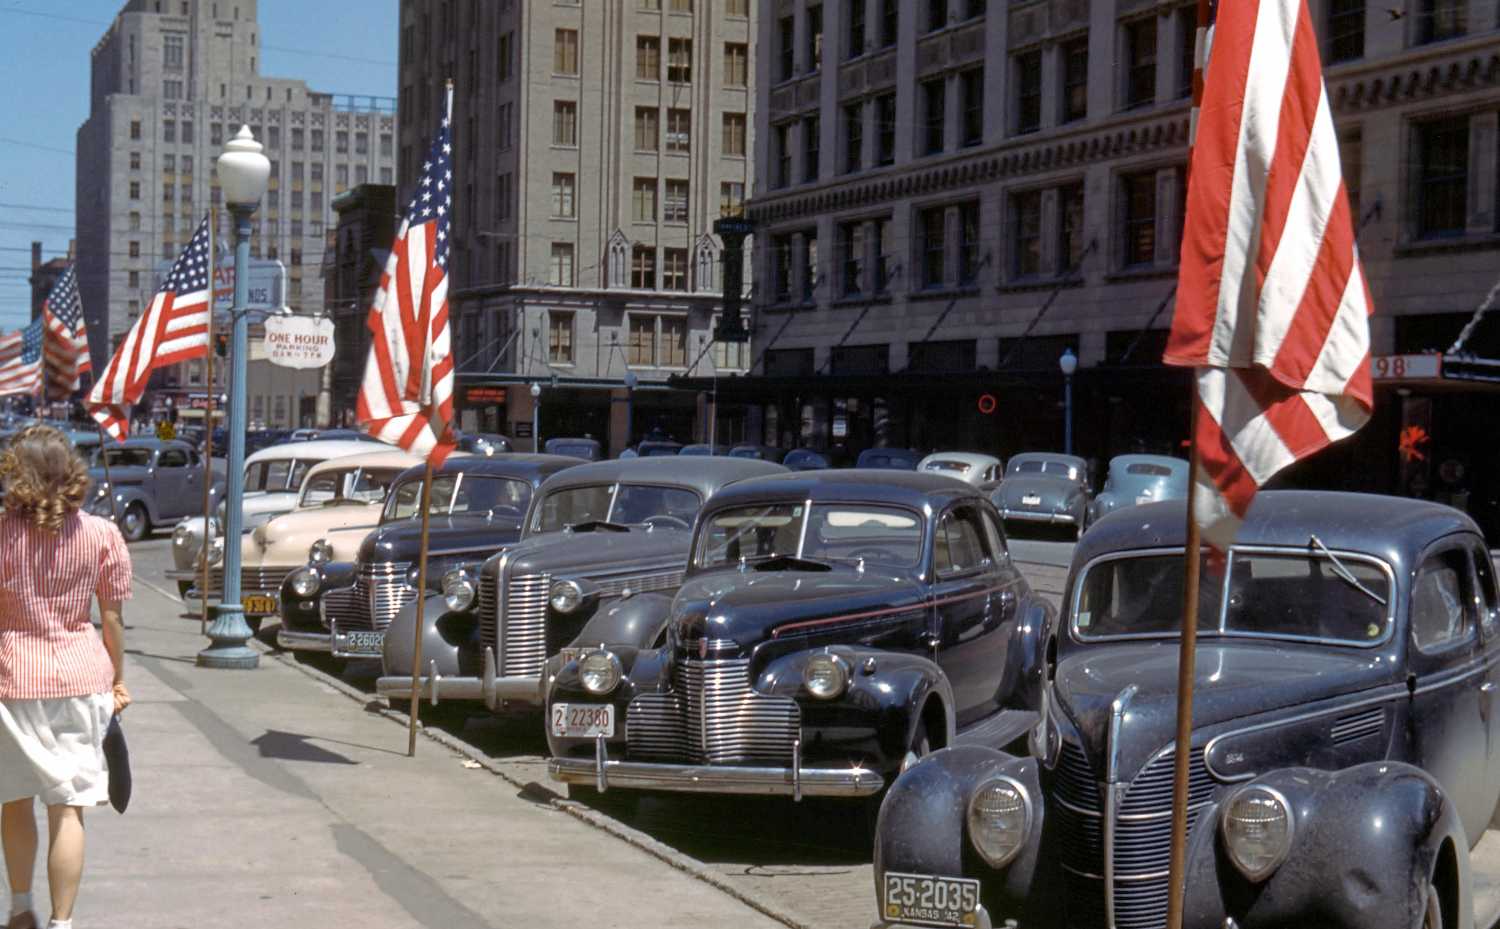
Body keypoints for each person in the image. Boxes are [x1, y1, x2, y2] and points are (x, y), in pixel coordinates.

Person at [0, 426, 132, 929]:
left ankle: (18, 908)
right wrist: (118, 679)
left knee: (13, 800)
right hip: (81, 677)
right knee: (68, 806)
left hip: (13, 679)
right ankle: (62, 923)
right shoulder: (100, 535)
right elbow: (113, 619)